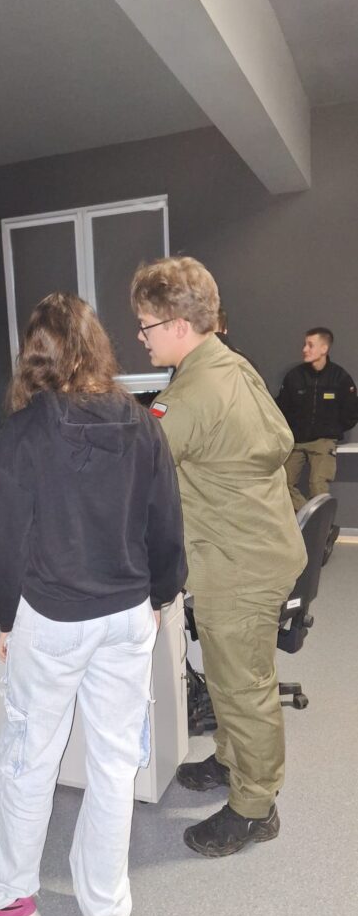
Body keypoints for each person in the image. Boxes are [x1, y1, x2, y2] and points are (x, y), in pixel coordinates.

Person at [0, 292, 187, 916]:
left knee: (29, 757)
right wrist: (159, 597)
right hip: (127, 617)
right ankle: (108, 915)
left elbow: (5, 543)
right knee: (114, 767)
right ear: (96, 346)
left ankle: (5, 897)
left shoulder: (24, 432)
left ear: (36, 355)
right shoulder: (142, 423)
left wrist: (4, 615)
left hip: (52, 619)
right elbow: (165, 524)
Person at [131, 257, 307, 858]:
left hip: (238, 563)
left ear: (178, 324)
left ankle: (255, 808)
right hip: (257, 548)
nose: (141, 337)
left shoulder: (190, 393)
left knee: (243, 686)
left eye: (147, 325)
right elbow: (277, 439)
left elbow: (135, 473)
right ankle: (233, 761)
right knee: (235, 677)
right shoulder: (232, 365)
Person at [276, 327, 358, 514]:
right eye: (304, 344)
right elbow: (281, 408)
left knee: (318, 487)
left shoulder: (340, 377)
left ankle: (321, 527)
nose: (304, 349)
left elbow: (352, 411)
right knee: (282, 484)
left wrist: (332, 430)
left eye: (310, 345)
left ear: (324, 348)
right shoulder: (294, 376)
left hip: (323, 442)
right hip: (296, 441)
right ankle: (311, 517)